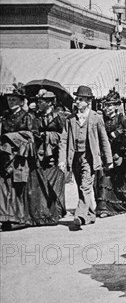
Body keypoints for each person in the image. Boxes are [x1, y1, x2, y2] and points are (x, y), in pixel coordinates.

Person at [59, 85, 113, 230]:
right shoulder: (70, 119)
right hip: (74, 157)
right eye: (77, 99)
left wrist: (108, 160)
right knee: (80, 186)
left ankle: (80, 215)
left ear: (88, 101)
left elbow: (104, 140)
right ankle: (89, 215)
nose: (77, 102)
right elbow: (63, 140)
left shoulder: (96, 118)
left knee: (85, 186)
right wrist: (62, 160)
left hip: (89, 158)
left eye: (81, 99)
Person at [94, 90, 126, 218]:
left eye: (110, 105)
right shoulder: (102, 119)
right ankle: (103, 207)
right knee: (105, 178)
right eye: (106, 105)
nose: (107, 108)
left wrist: (118, 133)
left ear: (117, 106)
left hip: (122, 154)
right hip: (107, 153)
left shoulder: (122, 119)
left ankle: (124, 204)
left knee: (120, 182)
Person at [0, 85, 38, 230]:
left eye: (14, 99)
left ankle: (19, 217)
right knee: (3, 185)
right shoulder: (5, 116)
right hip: (4, 156)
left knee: (18, 186)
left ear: (21, 101)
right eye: (9, 99)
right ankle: (5, 217)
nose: (11, 102)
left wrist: (12, 138)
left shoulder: (27, 116)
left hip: (20, 157)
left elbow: (32, 136)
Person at [31, 90, 67, 225]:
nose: (38, 104)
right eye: (38, 102)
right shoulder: (37, 117)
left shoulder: (59, 117)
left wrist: (62, 159)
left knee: (56, 183)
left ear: (50, 103)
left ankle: (57, 211)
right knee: (42, 183)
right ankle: (44, 212)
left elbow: (64, 137)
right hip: (40, 154)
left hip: (55, 154)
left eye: (41, 102)